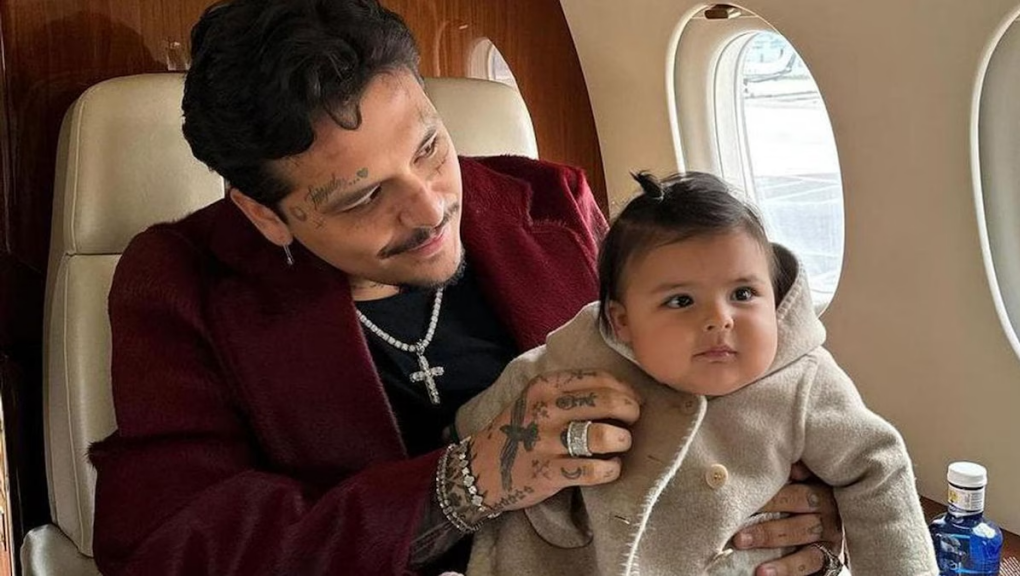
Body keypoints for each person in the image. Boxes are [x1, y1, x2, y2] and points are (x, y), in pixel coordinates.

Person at [88, 1, 844, 575]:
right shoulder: (180, 284)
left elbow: (723, 387)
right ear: (264, 213)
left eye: (428, 147)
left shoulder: (551, 202)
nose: (429, 210)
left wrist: (798, 495)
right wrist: (461, 485)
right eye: (362, 197)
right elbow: (164, 543)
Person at [455, 171, 939, 575]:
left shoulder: (803, 380)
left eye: (743, 294)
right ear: (622, 322)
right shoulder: (574, 360)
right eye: (681, 301)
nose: (719, 319)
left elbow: (877, 468)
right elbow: (478, 429)